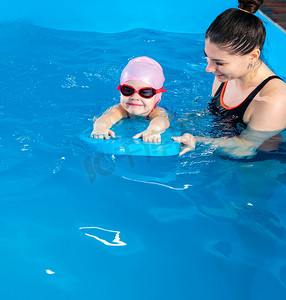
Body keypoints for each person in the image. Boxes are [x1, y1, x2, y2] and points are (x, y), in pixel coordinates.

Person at [173, 0, 286, 158]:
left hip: (263, 163)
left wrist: (198, 141)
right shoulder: (226, 74)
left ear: (252, 57)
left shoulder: (275, 100)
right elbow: (214, 114)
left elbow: (245, 148)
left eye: (219, 62)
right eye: (208, 58)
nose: (209, 69)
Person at [91, 56, 170, 143]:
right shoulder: (120, 109)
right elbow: (106, 118)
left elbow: (161, 120)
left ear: (157, 96)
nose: (134, 97)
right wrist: (100, 128)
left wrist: (153, 130)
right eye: (128, 90)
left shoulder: (156, 112)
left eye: (145, 92)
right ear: (120, 91)